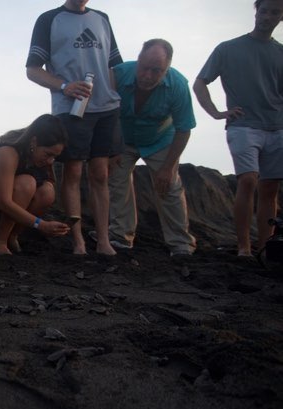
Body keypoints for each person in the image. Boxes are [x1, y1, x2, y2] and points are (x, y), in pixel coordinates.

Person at [26, 0, 123, 256]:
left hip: (107, 107)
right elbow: (33, 70)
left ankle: (103, 240)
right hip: (72, 108)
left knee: (101, 174)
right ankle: (77, 240)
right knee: (73, 172)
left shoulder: (102, 18)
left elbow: (114, 67)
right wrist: (64, 86)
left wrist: (118, 100)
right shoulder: (49, 19)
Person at [193, 0, 283, 258]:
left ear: (281, 17)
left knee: (270, 188)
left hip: (277, 127)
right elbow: (200, 83)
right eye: (263, 11)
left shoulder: (280, 52)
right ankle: (244, 246)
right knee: (247, 180)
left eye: (274, 12)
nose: (267, 16)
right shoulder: (228, 48)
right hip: (243, 125)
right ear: (256, 12)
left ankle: (266, 248)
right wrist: (216, 112)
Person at [108, 39, 197, 257]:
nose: (147, 76)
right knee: (116, 180)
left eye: (156, 71)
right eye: (144, 68)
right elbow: (106, 115)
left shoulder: (177, 85)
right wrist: (111, 149)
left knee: (169, 185)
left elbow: (184, 129)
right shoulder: (117, 74)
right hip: (123, 138)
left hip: (160, 140)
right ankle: (120, 236)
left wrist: (168, 167)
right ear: (138, 60)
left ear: (167, 69)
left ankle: (180, 244)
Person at [0, 115, 71, 254]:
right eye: (48, 154)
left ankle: (12, 236)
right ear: (34, 142)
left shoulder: (39, 160)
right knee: (26, 183)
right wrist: (40, 225)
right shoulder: (9, 152)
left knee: (47, 191)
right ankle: (0, 241)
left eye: (55, 157)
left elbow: (47, 189)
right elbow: (2, 201)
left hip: (10, 212)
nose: (50, 161)